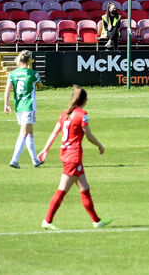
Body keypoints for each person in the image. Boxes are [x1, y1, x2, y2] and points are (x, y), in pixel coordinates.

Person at [37, 86, 111, 230]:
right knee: (62, 189)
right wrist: (100, 146)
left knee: (85, 188)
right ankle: (47, 220)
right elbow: (88, 135)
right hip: (73, 157)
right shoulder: (82, 114)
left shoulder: (65, 114)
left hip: (66, 154)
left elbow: (54, 132)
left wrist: (45, 150)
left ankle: (97, 221)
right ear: (84, 100)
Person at [3, 50, 42, 169]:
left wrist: (6, 105)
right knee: (24, 133)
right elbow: (40, 86)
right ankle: (14, 160)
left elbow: (7, 89)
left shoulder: (13, 74)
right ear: (29, 60)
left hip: (18, 106)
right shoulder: (33, 73)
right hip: (28, 106)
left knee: (30, 133)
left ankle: (35, 160)